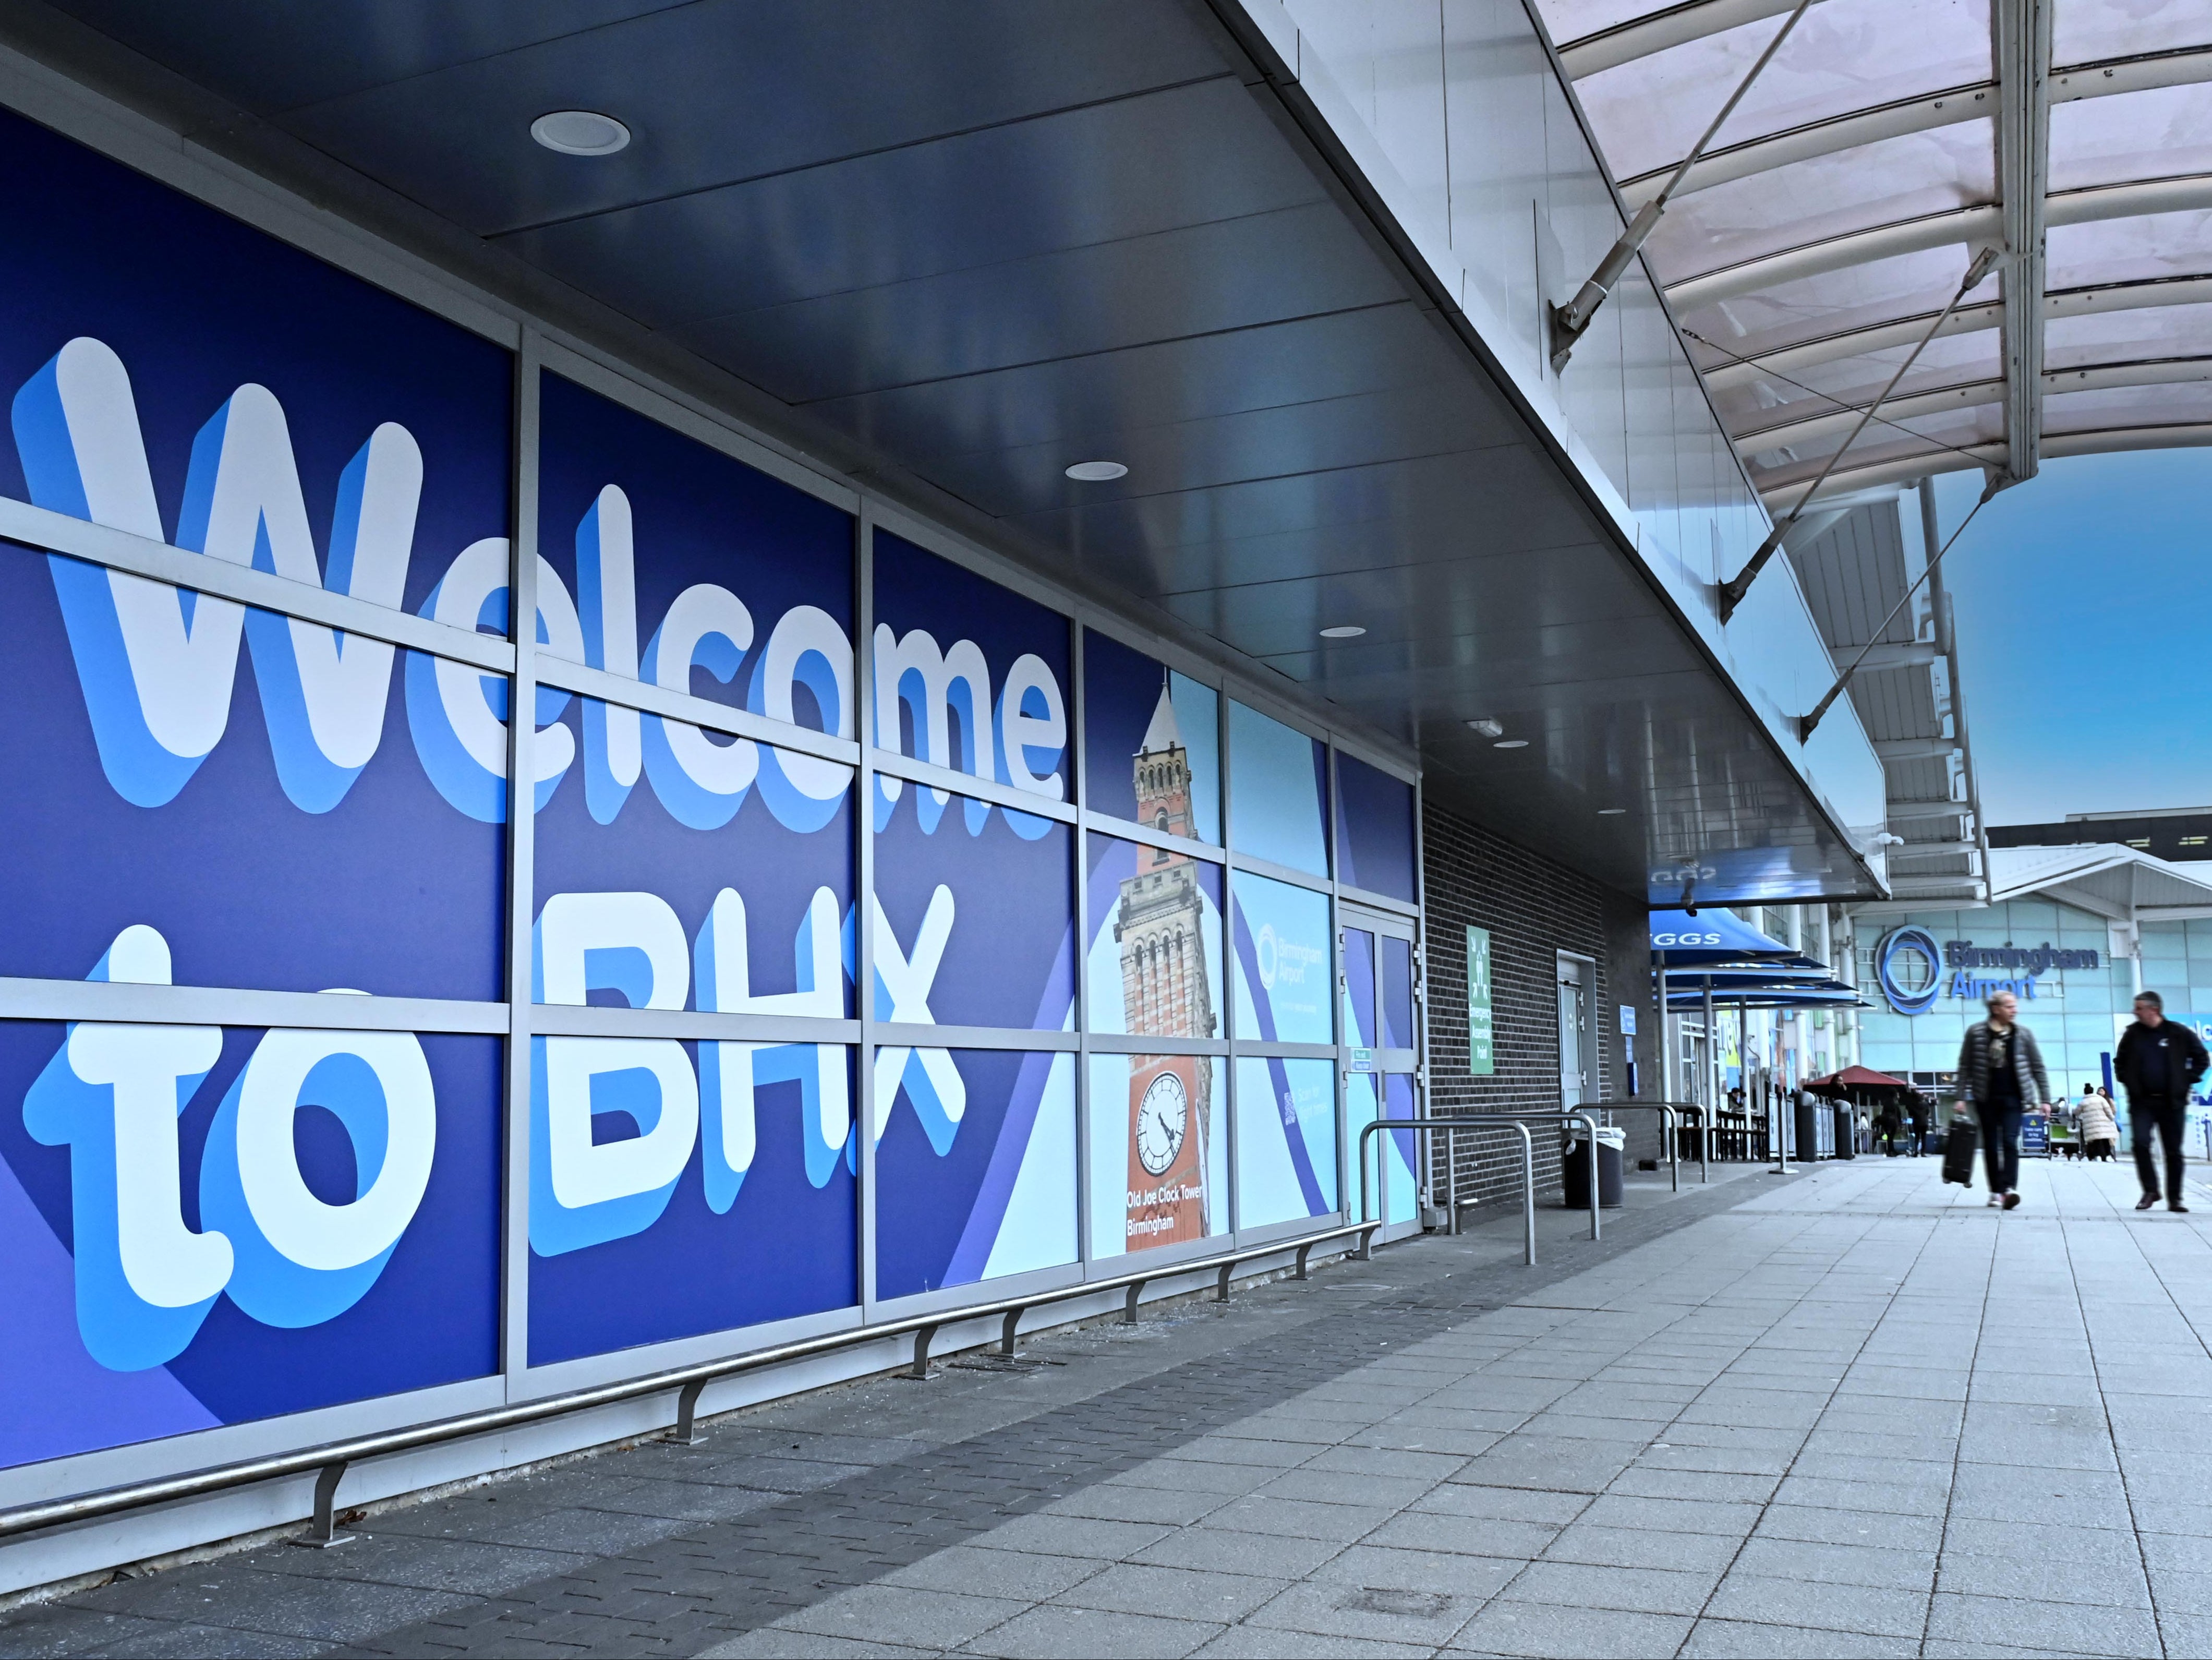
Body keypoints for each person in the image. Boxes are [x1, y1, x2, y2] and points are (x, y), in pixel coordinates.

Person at [1955, 989, 2051, 1210]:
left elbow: (2038, 1067)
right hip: (1985, 1098)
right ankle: (1996, 1191)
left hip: (2014, 1098)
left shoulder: (2023, 1035)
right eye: (2010, 1006)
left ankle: (2008, 1188)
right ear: (1996, 1009)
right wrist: (1960, 1097)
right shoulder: (1976, 1033)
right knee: (1990, 1144)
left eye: (2015, 1006)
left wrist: (2045, 1099)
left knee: (2009, 1141)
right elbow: (1965, 1067)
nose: (2015, 1010)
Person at [2115, 992, 2209, 1212]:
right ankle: (2151, 1190)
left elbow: (2202, 1059)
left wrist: (2186, 1080)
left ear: (2153, 1010)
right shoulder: (2132, 1035)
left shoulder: (2178, 1033)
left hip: (2172, 1103)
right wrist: (2128, 1081)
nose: (2134, 1012)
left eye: (2139, 1008)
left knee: (2173, 1152)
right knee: (2140, 1143)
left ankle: (2175, 1199)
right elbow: (2120, 1062)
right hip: (2142, 1102)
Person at [2077, 1081, 2118, 1165]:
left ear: (2085, 1092)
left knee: (2096, 1141)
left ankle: (2098, 1156)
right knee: (2105, 1140)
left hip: (2091, 1125)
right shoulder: (2101, 1099)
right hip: (2104, 1124)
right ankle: (2107, 1156)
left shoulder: (2082, 1102)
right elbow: (2108, 1111)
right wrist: (2112, 1119)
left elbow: (2076, 1112)